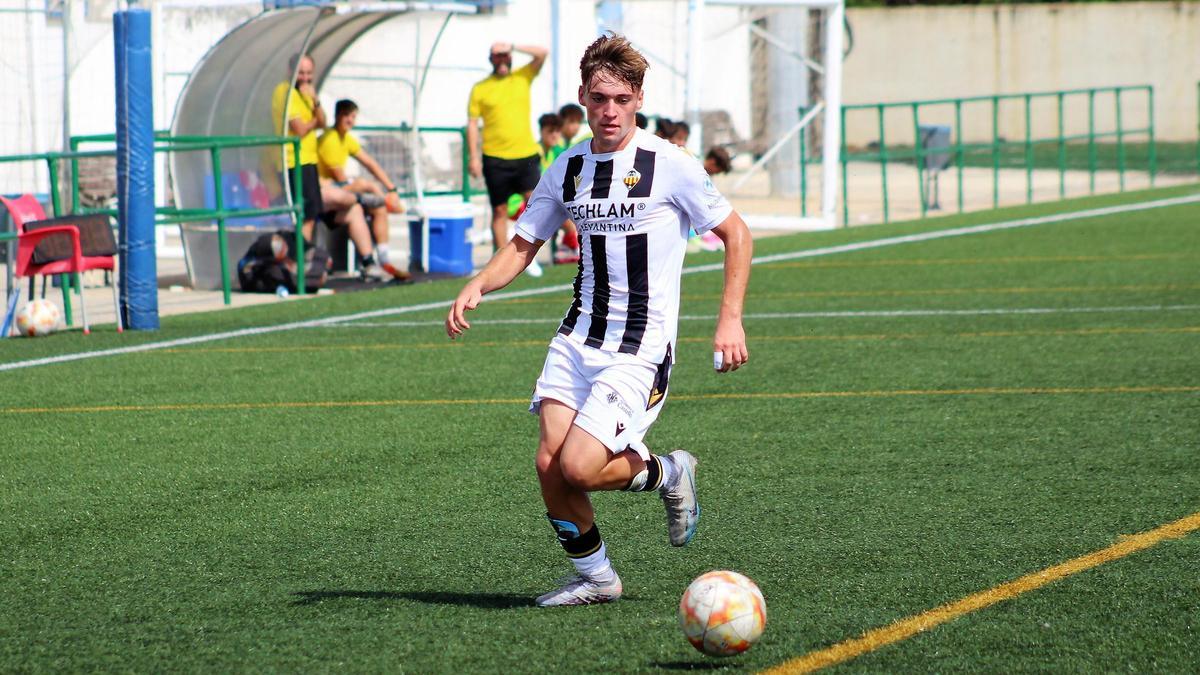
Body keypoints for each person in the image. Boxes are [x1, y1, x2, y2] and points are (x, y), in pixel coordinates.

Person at [445, 33, 752, 607]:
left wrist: (728, 320)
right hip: (578, 335)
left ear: (637, 98)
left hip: (639, 347)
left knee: (580, 466)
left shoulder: (670, 163)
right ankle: (596, 578)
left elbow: (737, 234)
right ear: (583, 97)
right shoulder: (568, 167)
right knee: (548, 465)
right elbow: (524, 241)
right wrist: (478, 284)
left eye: (620, 98)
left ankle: (668, 472)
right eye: (598, 97)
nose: (608, 110)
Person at [272, 54, 389, 281]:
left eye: (308, 73)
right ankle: (300, 265)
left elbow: (320, 121)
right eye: (301, 73)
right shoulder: (285, 93)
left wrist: (315, 103)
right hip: (292, 162)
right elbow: (301, 129)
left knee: (346, 210)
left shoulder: (306, 96)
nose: (305, 78)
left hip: (308, 163)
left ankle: (370, 264)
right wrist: (314, 119)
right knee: (308, 214)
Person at [467, 41, 549, 277]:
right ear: (490, 59)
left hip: (525, 155)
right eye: (497, 57)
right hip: (495, 157)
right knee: (500, 211)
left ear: (510, 57)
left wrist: (512, 45)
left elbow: (542, 52)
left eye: (505, 56)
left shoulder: (522, 76)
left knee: (534, 205)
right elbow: (472, 125)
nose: (502, 60)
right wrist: (473, 157)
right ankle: (500, 262)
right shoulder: (480, 88)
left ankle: (527, 255)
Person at [318, 99, 410, 280]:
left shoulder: (346, 139)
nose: (350, 120)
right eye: (347, 116)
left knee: (372, 207)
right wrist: (367, 188)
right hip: (325, 198)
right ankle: (386, 201)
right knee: (364, 186)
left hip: (340, 196)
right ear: (337, 115)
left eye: (353, 116)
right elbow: (339, 179)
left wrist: (392, 188)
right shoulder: (329, 139)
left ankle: (381, 261)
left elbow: (370, 163)